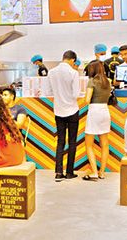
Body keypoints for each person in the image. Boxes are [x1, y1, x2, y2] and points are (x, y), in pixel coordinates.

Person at [47, 50, 80, 181]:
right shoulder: (74, 73)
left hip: (58, 111)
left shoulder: (51, 72)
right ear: (72, 60)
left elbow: (48, 91)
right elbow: (76, 94)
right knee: (72, 142)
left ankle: (59, 172)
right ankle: (70, 172)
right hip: (72, 110)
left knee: (60, 141)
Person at [83, 61, 111, 180]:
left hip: (94, 111)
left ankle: (94, 172)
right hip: (105, 111)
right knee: (104, 144)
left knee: (89, 144)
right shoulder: (108, 81)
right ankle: (102, 172)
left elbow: (87, 100)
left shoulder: (92, 81)